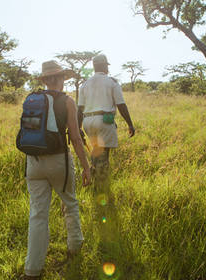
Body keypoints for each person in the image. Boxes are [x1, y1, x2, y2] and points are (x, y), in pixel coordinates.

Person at [23, 60, 91, 279]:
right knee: (70, 203)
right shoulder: (67, 101)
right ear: (61, 79)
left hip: (33, 161)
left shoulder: (32, 99)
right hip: (59, 160)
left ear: (44, 80)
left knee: (38, 214)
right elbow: (75, 137)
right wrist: (86, 167)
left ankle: (32, 270)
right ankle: (75, 248)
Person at [78, 54, 135, 187]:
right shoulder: (111, 82)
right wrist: (130, 124)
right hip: (104, 121)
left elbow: (79, 109)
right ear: (104, 66)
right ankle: (101, 186)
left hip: (87, 121)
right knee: (103, 155)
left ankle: (91, 175)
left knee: (96, 150)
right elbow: (121, 105)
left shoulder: (85, 84)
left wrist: (78, 127)